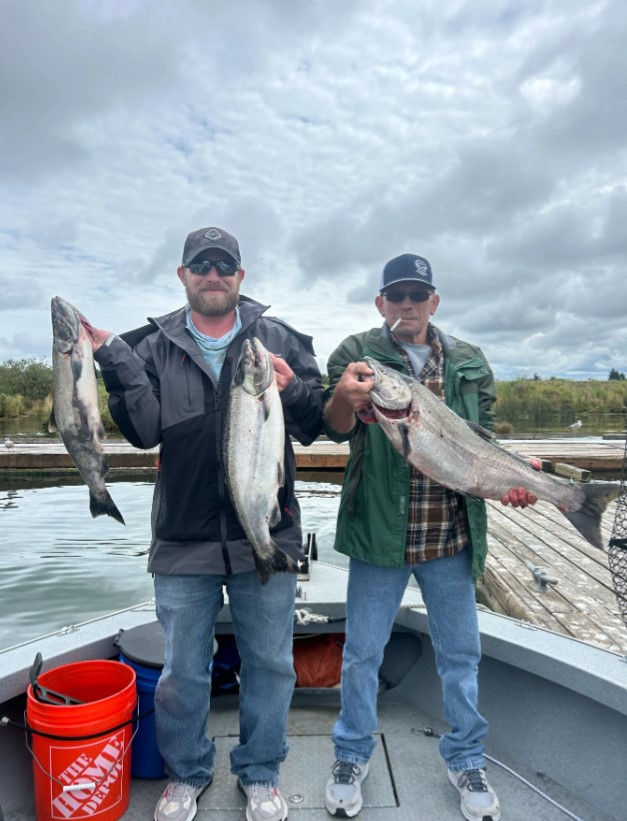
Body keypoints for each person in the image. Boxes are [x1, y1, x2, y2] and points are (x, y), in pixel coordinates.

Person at [84, 226, 324, 821]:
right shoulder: (149, 346)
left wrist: (292, 395)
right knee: (181, 671)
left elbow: (319, 419)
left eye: (224, 266)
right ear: (183, 274)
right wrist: (113, 357)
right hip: (181, 539)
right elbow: (142, 432)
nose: (213, 275)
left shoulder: (280, 340)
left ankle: (261, 772)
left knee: (270, 663)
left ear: (241, 277)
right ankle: (185, 773)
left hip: (266, 532)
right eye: (201, 265)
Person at [322, 253, 537, 821]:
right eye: (397, 296)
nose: (408, 306)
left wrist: (517, 474)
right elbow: (336, 426)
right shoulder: (357, 356)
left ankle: (466, 756)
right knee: (361, 654)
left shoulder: (468, 360)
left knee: (461, 655)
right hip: (379, 538)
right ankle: (350, 754)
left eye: (418, 296)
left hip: (451, 536)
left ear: (434, 302)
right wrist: (346, 396)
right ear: (381, 304)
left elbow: (480, 438)